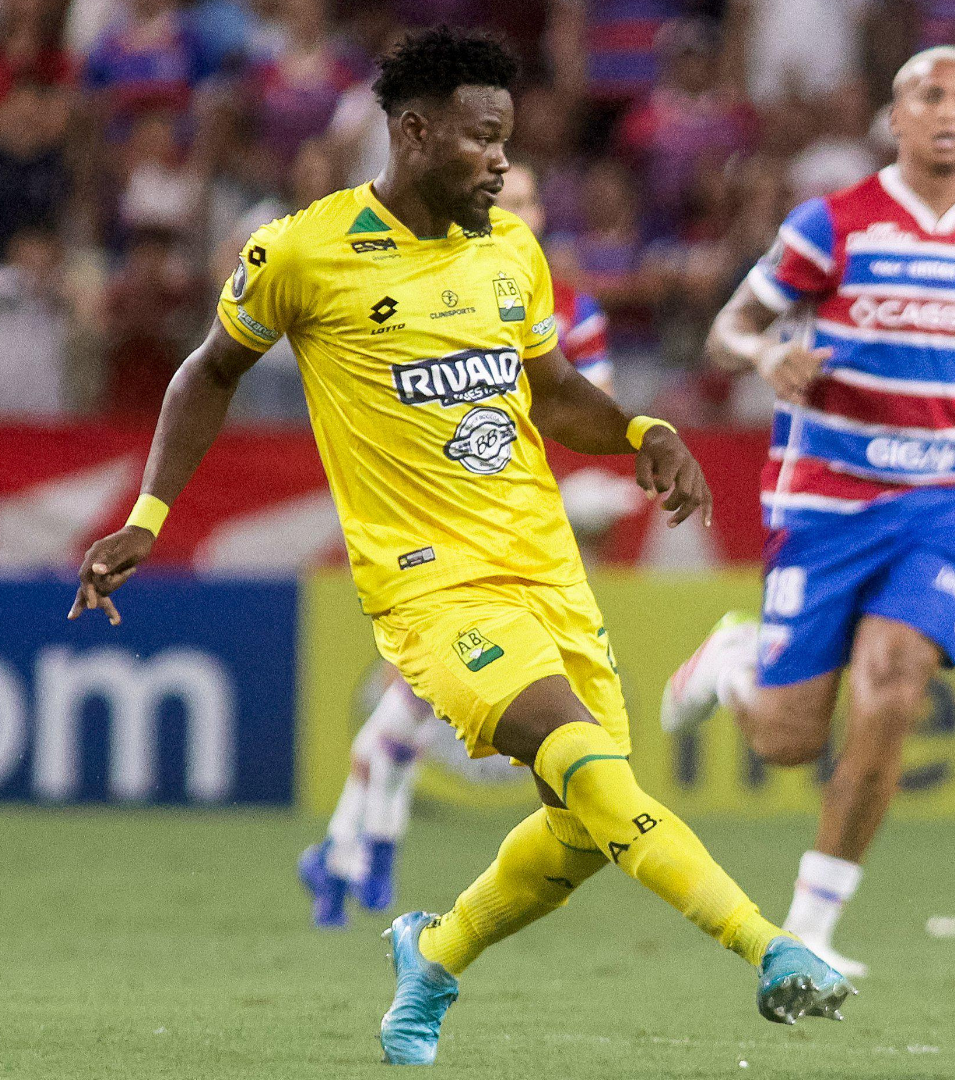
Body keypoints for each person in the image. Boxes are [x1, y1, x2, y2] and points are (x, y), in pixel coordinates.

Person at [66, 27, 851, 1065]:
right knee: (584, 763)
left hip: (546, 570)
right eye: (483, 139)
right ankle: (770, 947)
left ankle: (432, 954)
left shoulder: (510, 254)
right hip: (432, 588)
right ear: (414, 130)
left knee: (580, 831)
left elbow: (550, 388)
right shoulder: (303, 251)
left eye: (509, 141)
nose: (501, 161)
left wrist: (641, 432)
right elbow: (208, 370)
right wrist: (149, 516)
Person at [659, 45, 955, 977]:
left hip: (942, 497)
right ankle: (731, 663)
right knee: (791, 740)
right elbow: (732, 327)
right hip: (829, 498)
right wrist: (767, 361)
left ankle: (812, 929)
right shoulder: (830, 226)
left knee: (894, 694)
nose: (949, 112)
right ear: (897, 116)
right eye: (931, 95)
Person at [295, 161, 621, 931]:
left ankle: (347, 845)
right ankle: (364, 842)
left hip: (521, 530)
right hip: (435, 524)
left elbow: (580, 413)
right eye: (510, 197)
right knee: (416, 695)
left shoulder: (571, 308)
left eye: (534, 199)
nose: (522, 210)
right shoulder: (421, 285)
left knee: (414, 703)